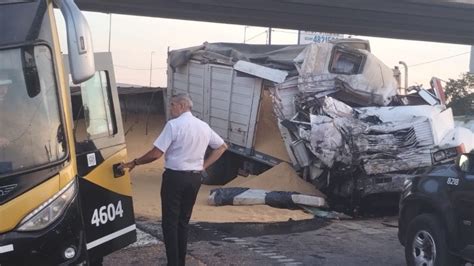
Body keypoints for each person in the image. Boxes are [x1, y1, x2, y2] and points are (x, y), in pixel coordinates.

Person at [120, 93, 227, 266]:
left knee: (170, 222)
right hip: (194, 178)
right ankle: (180, 262)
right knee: (183, 222)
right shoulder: (203, 126)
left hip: (175, 177)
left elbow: (156, 153)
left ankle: (173, 262)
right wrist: (204, 166)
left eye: (172, 105)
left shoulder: (173, 125)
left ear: (182, 105)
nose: (170, 108)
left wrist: (135, 162)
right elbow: (222, 147)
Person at [0, 76, 12, 148]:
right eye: (0, 86)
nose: (4, 91)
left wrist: (8, 139)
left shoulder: (13, 105)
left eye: (6, 87)